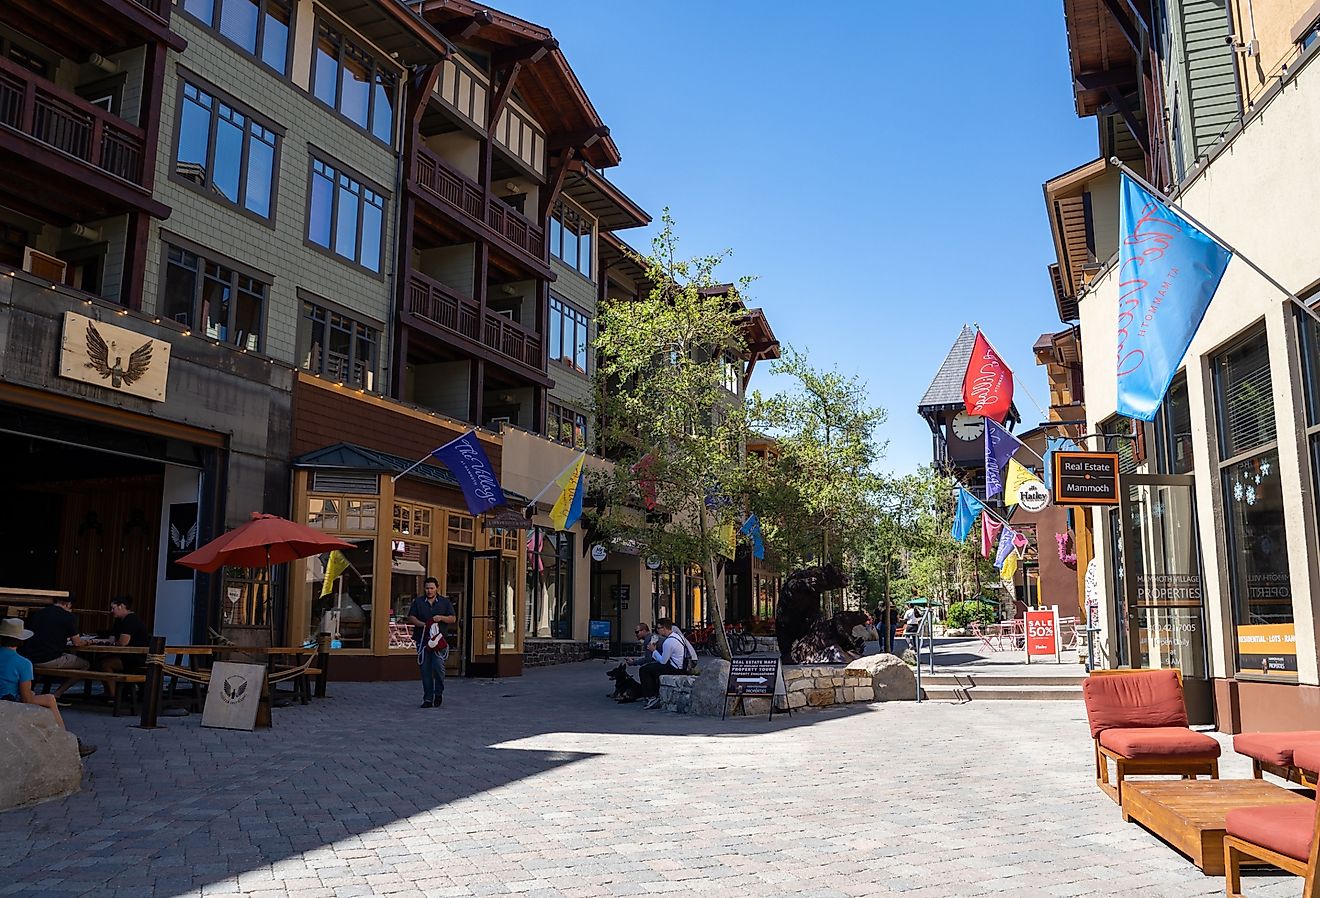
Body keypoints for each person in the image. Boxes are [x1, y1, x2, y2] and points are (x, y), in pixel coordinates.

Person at [0, 618, 94, 756]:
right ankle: (66, 740)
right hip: (9, 701)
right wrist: (31, 694)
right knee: (49, 699)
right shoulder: (23, 663)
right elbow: (26, 699)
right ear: (21, 641)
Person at [19, 596, 90, 700]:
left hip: (30, 657)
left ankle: (40, 691)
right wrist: (89, 641)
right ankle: (57, 694)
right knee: (86, 665)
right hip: (49, 659)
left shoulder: (38, 614)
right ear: (68, 604)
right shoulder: (67, 616)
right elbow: (77, 642)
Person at [405, 576, 455, 709]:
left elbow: (452, 618)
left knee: (439, 667)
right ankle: (428, 698)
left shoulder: (444, 602)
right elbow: (411, 617)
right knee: (425, 670)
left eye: (432, 588)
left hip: (439, 641)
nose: (429, 591)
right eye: (427, 588)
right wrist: (423, 624)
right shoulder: (418, 602)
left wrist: (441, 618)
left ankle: (438, 692)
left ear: (436, 588)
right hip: (423, 640)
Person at [638, 619, 696, 710]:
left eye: (658, 628)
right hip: (681, 666)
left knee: (644, 670)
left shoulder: (668, 642)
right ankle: (655, 693)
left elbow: (663, 661)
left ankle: (651, 696)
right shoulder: (678, 636)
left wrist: (654, 650)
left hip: (675, 668)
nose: (657, 631)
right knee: (651, 668)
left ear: (664, 628)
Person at [101, 596, 150, 702]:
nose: (111, 611)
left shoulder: (130, 620)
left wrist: (113, 642)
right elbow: (112, 638)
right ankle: (109, 692)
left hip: (136, 657)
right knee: (99, 662)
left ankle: (114, 696)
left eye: (113, 608)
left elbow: (123, 642)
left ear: (122, 606)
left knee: (105, 664)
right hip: (125, 655)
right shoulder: (119, 621)